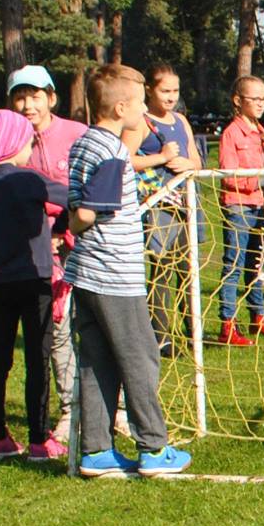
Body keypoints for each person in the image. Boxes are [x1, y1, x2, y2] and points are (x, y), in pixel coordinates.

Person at [65, 65, 191, 478]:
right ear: (121, 108)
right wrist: (76, 224)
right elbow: (87, 212)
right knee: (140, 357)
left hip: (86, 274)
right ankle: (153, 447)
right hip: (114, 275)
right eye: (139, 103)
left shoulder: (84, 143)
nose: (144, 110)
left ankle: (96, 450)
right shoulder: (112, 151)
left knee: (97, 359)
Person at [0, 110, 68, 461]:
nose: (31, 149)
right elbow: (71, 199)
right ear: (13, 144)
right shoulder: (30, 179)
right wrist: (58, 231)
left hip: (0, 280)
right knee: (38, 359)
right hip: (35, 279)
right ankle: (40, 440)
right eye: (28, 143)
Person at [7, 64, 88, 443]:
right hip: (42, 253)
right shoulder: (10, 143)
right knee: (56, 330)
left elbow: (91, 190)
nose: (28, 105)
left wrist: (65, 229)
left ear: (51, 98)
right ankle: (70, 409)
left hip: (86, 243)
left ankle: (117, 408)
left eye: (35, 96)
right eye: (20, 97)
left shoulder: (76, 134)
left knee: (98, 325)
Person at [132, 64, 204, 356]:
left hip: (187, 205)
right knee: (161, 273)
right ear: (149, 90)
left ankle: (194, 334)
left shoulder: (181, 121)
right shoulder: (140, 122)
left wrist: (188, 164)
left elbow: (197, 160)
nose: (171, 96)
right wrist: (160, 158)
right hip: (158, 206)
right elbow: (125, 159)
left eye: (175, 90)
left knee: (189, 271)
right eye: (165, 91)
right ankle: (161, 337)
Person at [217, 75, 264, 347]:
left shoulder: (260, 131)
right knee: (234, 265)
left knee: (255, 264)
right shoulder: (231, 133)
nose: (261, 103)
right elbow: (229, 175)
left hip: (260, 205)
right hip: (238, 206)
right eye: (254, 98)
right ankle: (227, 324)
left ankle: (258, 316)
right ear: (238, 101)